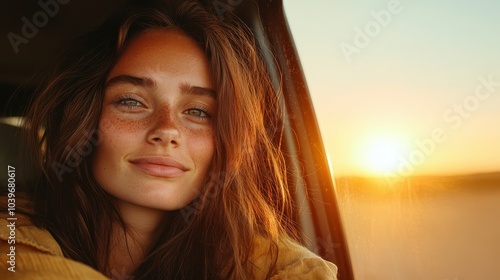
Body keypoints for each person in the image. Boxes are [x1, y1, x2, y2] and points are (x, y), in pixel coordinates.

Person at [0, 1, 338, 279]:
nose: (168, 130)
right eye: (131, 101)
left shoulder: (259, 259)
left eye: (199, 112)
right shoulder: (11, 240)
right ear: (84, 119)